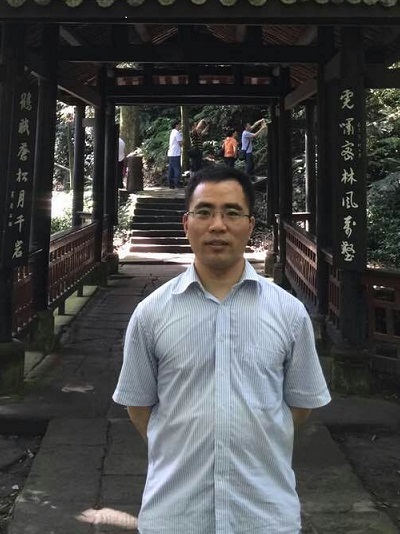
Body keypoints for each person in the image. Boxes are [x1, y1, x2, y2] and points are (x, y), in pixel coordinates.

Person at [112, 164, 331, 534]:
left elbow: (300, 405)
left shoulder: (289, 313)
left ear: (250, 225)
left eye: (232, 213)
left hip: (263, 516)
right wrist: (184, 444)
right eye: (204, 212)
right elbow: (139, 407)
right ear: (186, 224)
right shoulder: (151, 314)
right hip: (176, 516)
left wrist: (251, 435)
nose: (217, 225)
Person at [167, 119, 183, 188]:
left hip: (171, 153)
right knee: (177, 169)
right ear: (176, 125)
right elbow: (180, 143)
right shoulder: (177, 132)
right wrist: (183, 139)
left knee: (171, 170)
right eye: (179, 124)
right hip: (175, 153)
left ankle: (171, 184)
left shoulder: (172, 132)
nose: (180, 126)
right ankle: (177, 183)